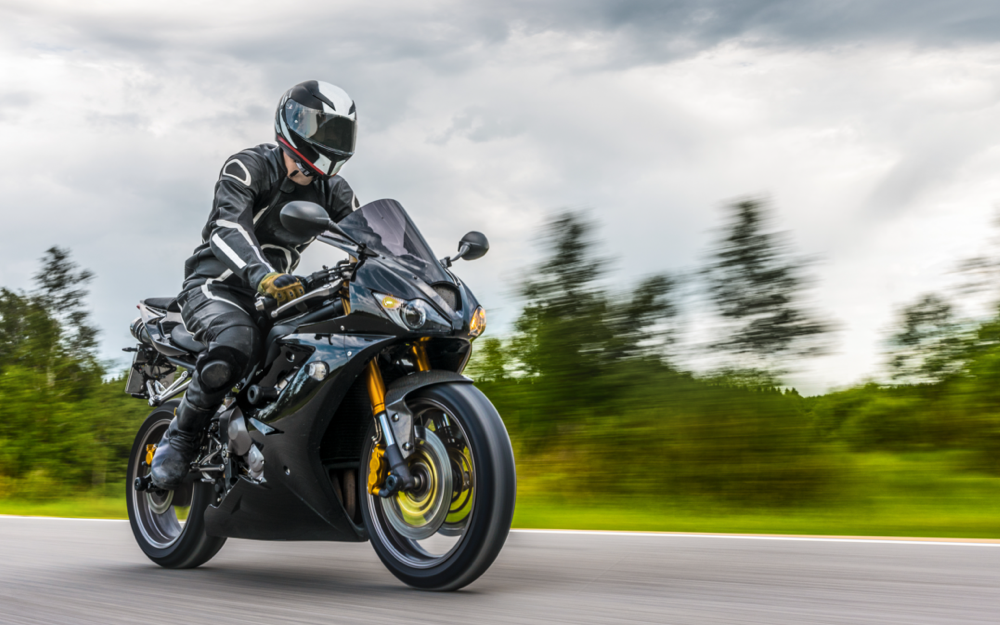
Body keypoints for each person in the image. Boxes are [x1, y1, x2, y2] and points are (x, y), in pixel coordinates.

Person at [150, 80, 361, 489]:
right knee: (236, 342)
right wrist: (262, 275)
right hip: (216, 286)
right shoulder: (248, 166)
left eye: (336, 131)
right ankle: (181, 437)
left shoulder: (333, 189)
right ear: (292, 121)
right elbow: (226, 227)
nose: (327, 139)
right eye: (320, 127)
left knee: (334, 340)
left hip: (280, 292)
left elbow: (366, 237)